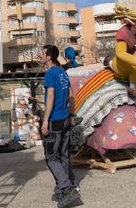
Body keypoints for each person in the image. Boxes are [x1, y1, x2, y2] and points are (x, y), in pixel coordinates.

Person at [40, 45, 81, 208]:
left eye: (42, 54)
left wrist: (45, 121)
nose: (40, 57)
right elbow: (71, 96)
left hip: (55, 120)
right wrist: (71, 115)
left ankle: (67, 188)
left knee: (51, 157)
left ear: (49, 57)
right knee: (63, 155)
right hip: (64, 118)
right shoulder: (63, 72)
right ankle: (62, 189)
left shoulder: (50, 73)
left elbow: (50, 97)